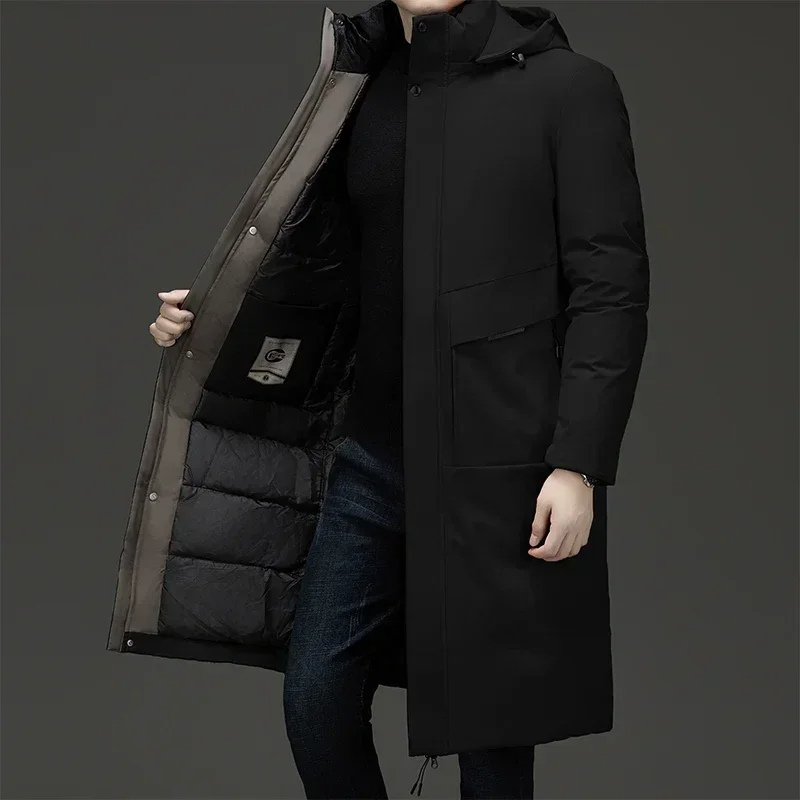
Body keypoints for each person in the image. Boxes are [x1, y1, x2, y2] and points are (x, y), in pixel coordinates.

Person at [144, 0, 649, 797]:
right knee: (315, 699)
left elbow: (610, 290)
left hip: (503, 470)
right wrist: (209, 320)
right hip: (372, 458)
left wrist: (577, 464)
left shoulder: (569, 88)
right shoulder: (360, 85)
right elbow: (325, 264)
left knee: (491, 740)